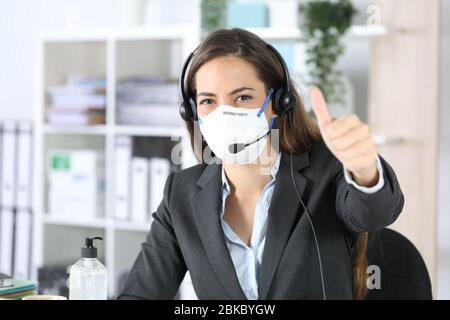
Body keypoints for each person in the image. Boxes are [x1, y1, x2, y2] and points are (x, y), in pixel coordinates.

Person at [118, 28, 404, 300]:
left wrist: (364, 169)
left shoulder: (327, 171)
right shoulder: (180, 193)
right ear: (192, 111)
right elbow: (142, 291)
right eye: (208, 101)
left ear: (278, 102)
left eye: (243, 97)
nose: (225, 113)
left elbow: (375, 214)